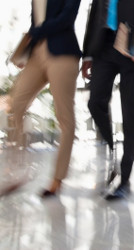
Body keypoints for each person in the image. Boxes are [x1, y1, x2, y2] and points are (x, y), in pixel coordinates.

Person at [82, 0, 134, 200]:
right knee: (95, 102)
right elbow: (94, 15)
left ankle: (125, 179)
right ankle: (112, 152)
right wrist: (87, 55)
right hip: (104, 45)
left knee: (131, 114)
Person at [10, 0, 82, 197]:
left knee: (65, 118)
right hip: (36, 53)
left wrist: (36, 33)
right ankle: (20, 168)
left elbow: (66, 19)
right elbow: (36, 22)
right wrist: (25, 50)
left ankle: (57, 179)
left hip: (62, 53)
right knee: (16, 105)